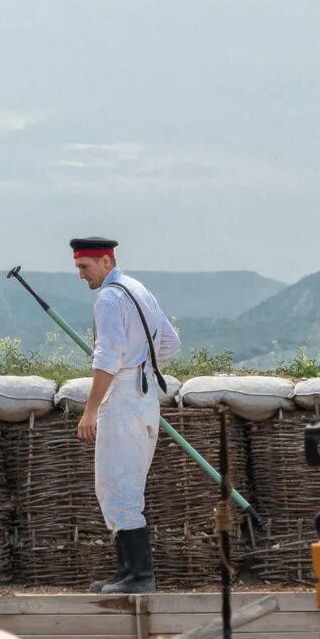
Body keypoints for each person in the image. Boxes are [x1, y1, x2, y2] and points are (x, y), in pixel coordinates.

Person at [71, 236, 183, 594]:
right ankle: (128, 574)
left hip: (121, 399)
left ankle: (136, 576)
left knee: (114, 484)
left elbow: (106, 357)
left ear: (106, 261)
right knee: (129, 485)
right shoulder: (139, 290)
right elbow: (170, 342)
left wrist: (90, 410)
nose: (81, 275)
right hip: (146, 399)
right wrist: (144, 370)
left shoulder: (109, 297)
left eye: (85, 267)